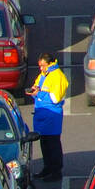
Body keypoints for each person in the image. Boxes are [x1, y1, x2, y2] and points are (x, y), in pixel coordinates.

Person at [27, 52, 68, 180]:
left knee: (53, 145)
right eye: (39, 66)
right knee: (44, 144)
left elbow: (55, 98)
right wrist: (35, 89)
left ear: (50, 64)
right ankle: (47, 168)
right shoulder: (44, 75)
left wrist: (38, 94)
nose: (41, 68)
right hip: (42, 116)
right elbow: (38, 85)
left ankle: (56, 172)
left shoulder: (57, 77)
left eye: (43, 65)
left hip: (52, 117)